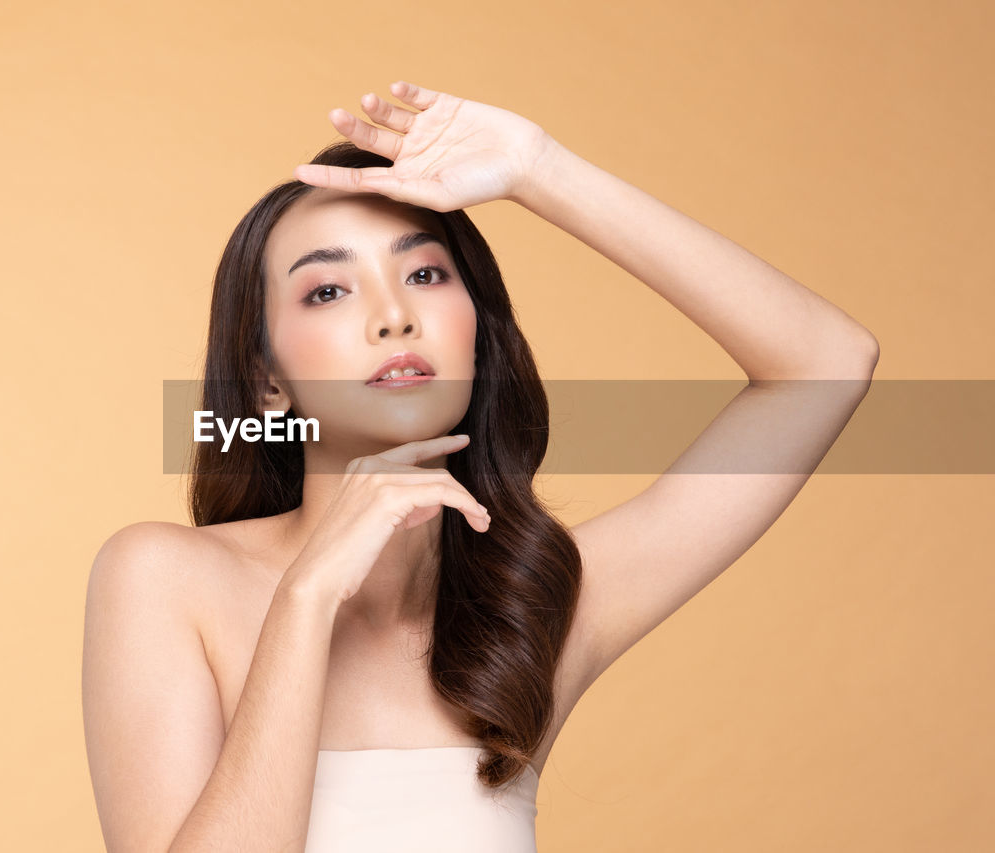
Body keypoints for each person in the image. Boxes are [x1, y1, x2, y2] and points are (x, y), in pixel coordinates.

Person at [81, 80, 879, 852]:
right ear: (267, 380)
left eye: (425, 274)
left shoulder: (537, 610)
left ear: (477, 331)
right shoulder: (162, 577)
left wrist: (539, 169)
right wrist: (307, 596)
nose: (395, 315)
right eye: (328, 290)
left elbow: (827, 361)